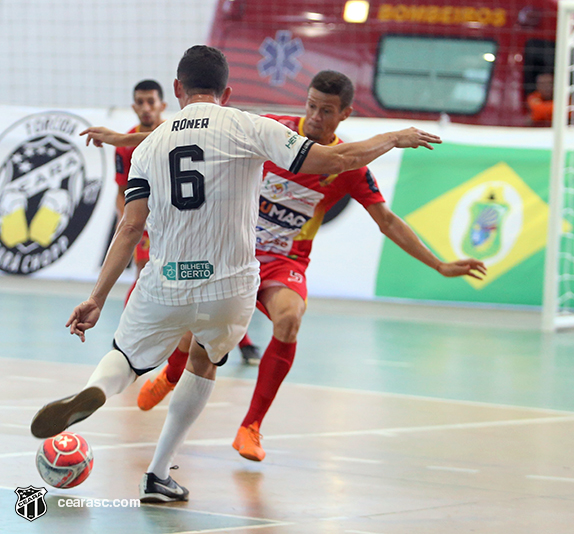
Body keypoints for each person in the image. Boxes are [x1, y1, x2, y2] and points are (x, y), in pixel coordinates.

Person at [29, 45, 443, 503]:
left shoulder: (150, 144)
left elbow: (130, 226)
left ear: (176, 90)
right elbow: (336, 160)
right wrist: (394, 137)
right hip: (229, 284)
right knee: (204, 360)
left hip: (164, 278)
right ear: (226, 92)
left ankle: (95, 390)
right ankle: (158, 474)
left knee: (125, 358)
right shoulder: (249, 125)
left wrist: (96, 297)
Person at [134, 70, 487, 462]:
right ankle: (170, 374)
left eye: (327, 111)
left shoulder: (349, 166)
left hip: (284, 261)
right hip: (235, 249)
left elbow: (387, 221)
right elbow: (192, 140)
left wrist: (439, 265)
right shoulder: (272, 131)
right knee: (197, 325)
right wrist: (121, 141)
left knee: (290, 317)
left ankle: (251, 426)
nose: (316, 117)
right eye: (311, 106)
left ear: (345, 114)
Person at [115, 81, 261, 377]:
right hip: (152, 223)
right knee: (148, 272)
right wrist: (136, 228)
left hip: (187, 223)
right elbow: (122, 192)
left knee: (204, 280)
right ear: (133, 107)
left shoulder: (174, 132)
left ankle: (238, 343)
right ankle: (133, 343)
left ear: (162, 104)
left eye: (150, 102)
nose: (145, 108)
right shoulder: (127, 145)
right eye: (139, 102)